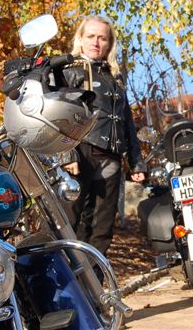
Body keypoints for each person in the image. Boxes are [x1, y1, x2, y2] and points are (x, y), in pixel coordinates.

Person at [61, 15, 146, 256]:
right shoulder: (69, 71)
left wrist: (136, 162)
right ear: (80, 38)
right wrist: (67, 154)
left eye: (102, 38)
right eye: (91, 36)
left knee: (102, 229)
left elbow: (127, 122)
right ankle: (65, 276)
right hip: (80, 154)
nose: (96, 42)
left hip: (111, 159)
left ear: (109, 43)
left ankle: (94, 278)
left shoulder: (114, 77)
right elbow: (61, 117)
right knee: (71, 223)